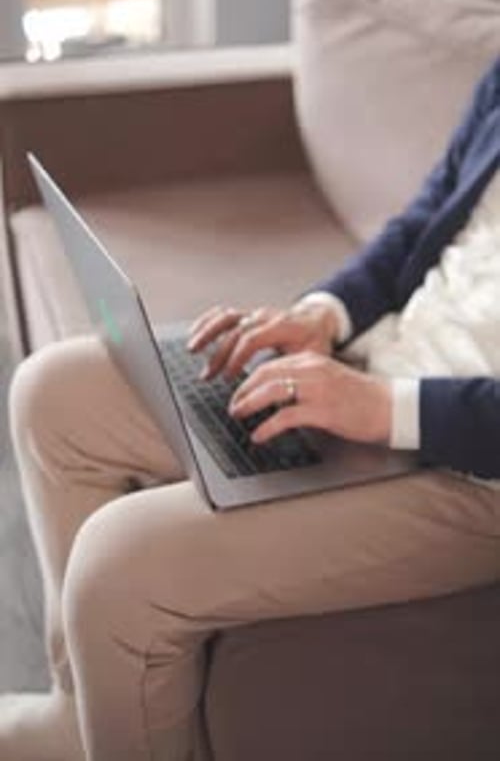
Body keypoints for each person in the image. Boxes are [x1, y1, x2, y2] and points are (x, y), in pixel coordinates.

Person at [2, 55, 500, 761]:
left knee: (118, 567)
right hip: (378, 359)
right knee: (52, 394)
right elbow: (425, 219)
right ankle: (80, 717)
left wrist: (387, 410)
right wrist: (321, 315)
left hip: (472, 463)